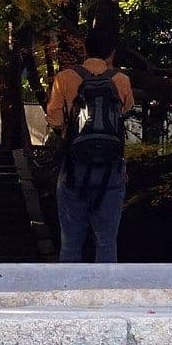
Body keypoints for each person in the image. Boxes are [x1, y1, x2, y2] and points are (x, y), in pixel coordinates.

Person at [46, 30, 133, 262]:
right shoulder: (121, 80)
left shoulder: (64, 78)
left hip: (74, 166)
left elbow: (53, 118)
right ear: (111, 53)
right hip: (111, 169)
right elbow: (125, 110)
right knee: (106, 241)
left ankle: (70, 294)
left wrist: (68, 129)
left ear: (84, 50)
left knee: (71, 243)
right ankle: (104, 294)